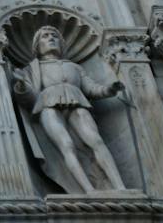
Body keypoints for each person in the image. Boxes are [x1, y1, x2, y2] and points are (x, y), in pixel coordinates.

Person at [13, 26, 126, 192]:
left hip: (77, 104)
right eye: (45, 36)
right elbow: (30, 98)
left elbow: (91, 89)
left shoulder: (74, 67)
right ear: (37, 45)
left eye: (54, 36)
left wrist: (110, 89)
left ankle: (120, 187)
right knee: (66, 145)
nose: (51, 38)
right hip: (48, 107)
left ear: (62, 44)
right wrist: (21, 85)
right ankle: (89, 190)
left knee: (96, 141)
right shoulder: (32, 69)